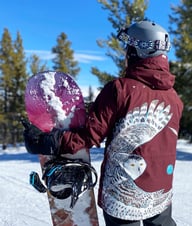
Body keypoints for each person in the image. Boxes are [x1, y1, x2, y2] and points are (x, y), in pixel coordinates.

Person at [23, 20, 183, 226]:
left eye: (129, 48)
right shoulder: (174, 97)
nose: (126, 53)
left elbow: (90, 136)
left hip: (125, 194)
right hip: (161, 190)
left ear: (138, 52)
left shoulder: (120, 89)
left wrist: (50, 141)